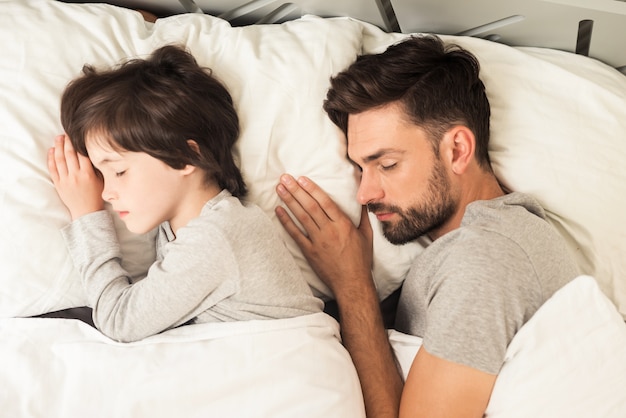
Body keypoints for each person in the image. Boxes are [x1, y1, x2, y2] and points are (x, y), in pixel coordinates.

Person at [275, 35, 579, 418]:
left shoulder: (486, 261)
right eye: (359, 169)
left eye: (386, 165)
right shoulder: (483, 243)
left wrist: (352, 284)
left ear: (457, 150)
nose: (365, 193)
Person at [47, 45, 322, 343]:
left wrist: (87, 216)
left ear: (184, 158)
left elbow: (119, 321)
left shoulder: (218, 235)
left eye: (119, 172)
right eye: (102, 175)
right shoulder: (184, 228)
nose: (107, 192)